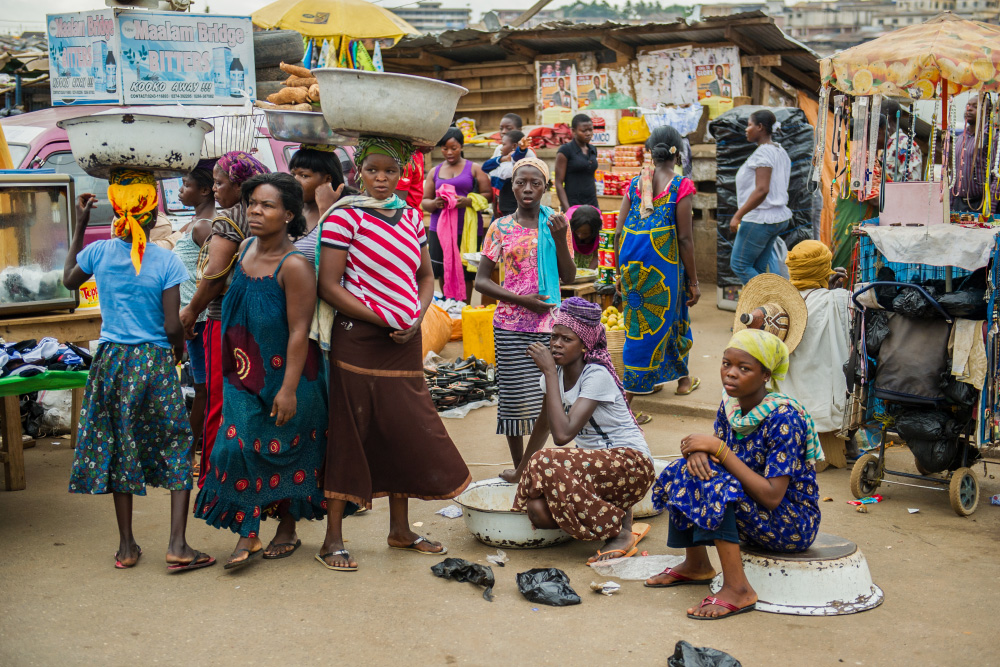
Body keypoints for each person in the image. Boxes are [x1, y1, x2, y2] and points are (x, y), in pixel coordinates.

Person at [316, 136, 472, 572]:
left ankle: (400, 530)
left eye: (390, 171)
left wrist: (416, 316)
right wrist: (384, 320)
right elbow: (329, 286)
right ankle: (332, 540)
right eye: (373, 170)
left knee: (404, 430)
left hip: (404, 342)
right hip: (359, 342)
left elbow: (426, 276)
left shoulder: (409, 217)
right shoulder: (344, 218)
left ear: (402, 173)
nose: (381, 179)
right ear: (358, 173)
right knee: (351, 433)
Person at [63, 177, 214, 573]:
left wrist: (80, 225)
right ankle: (178, 544)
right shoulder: (166, 261)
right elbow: (170, 325)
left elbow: (68, 282)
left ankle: (127, 547)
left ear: (116, 214)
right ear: (152, 219)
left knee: (119, 442)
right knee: (177, 441)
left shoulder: (98, 252)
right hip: (154, 361)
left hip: (111, 361)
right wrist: (179, 349)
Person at [193, 173, 328, 569]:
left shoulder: (295, 266)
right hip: (243, 375)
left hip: (290, 378)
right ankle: (248, 535)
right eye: (253, 202)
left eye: (267, 205)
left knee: (289, 451)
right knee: (235, 448)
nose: (255, 210)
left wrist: (287, 390)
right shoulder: (246, 248)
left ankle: (286, 527)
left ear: (288, 214)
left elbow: (301, 331)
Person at [645, 329, 821, 620]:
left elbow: (772, 496)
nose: (731, 374)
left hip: (790, 521)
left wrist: (719, 449)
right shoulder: (731, 407)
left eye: (744, 368)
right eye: (726, 363)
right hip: (752, 508)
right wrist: (699, 453)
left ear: (766, 375)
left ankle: (738, 589)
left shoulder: (784, 418)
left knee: (715, 486)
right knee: (683, 471)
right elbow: (715, 458)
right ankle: (697, 565)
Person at [499, 298, 654, 563]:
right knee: (536, 510)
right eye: (554, 337)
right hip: (595, 473)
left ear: (585, 345)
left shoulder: (596, 375)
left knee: (545, 460)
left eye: (566, 339)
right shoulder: (554, 376)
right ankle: (617, 514)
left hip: (630, 466)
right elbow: (543, 427)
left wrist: (549, 372)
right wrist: (519, 473)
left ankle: (620, 532)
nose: (556, 344)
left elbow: (562, 436)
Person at [475, 158, 576, 467]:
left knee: (548, 401)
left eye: (535, 183)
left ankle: (528, 468)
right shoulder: (500, 227)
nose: (528, 188)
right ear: (512, 186)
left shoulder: (556, 223)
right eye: (521, 182)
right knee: (514, 402)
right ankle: (520, 465)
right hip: (510, 326)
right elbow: (481, 281)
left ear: (545, 187)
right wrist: (523, 301)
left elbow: (569, 277)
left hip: (549, 327)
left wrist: (559, 239)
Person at [180, 151, 270, 488]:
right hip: (260, 321)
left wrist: (191, 310)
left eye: (219, 183)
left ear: (239, 184)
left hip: (222, 321)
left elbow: (215, 273)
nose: (215, 190)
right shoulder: (268, 214)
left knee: (219, 397)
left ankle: (216, 481)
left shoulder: (229, 219)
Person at [615, 125, 701, 422]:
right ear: (678, 152)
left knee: (640, 321)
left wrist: (617, 271)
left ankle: (683, 379)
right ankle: (626, 402)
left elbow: (617, 231)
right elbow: (686, 239)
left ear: (651, 152)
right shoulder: (681, 186)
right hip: (663, 263)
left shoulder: (636, 184)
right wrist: (694, 280)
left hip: (632, 262)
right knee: (662, 320)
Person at [781, 243, 852, 468]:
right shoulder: (840, 300)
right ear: (825, 269)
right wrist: (829, 290)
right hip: (827, 404)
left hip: (787, 406)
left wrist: (824, 288)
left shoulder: (778, 304)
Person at [172, 164, 215, 476]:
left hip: (198, 319)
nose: (180, 190)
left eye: (186, 185)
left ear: (205, 190)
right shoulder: (196, 222)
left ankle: (189, 452)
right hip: (192, 317)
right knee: (201, 385)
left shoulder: (203, 226)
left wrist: (192, 312)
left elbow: (213, 275)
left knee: (203, 387)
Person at [421, 127, 492, 302]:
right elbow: (425, 201)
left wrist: (468, 201)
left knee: (465, 269)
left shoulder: (473, 168)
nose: (449, 152)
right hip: (440, 228)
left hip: (466, 228)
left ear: (461, 146)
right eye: (445, 148)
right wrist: (436, 203)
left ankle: (464, 306)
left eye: (454, 148)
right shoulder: (435, 171)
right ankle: (449, 305)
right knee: (445, 266)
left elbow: (488, 195)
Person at [729, 109, 793, 285]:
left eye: (749, 125)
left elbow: (762, 190)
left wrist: (738, 215)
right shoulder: (780, 151)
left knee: (740, 264)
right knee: (757, 267)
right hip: (775, 217)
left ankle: (774, 298)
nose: (746, 129)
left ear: (760, 127)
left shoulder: (764, 153)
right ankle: (762, 308)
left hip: (760, 219)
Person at [288, 145, 350, 265]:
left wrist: (325, 210)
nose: (295, 181)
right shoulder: (289, 211)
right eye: (293, 175)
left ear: (327, 179)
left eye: (304, 176)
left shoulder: (345, 214)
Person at [951, 95, 999, 215]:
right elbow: (954, 175)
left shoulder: (992, 137)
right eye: (968, 105)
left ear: (987, 112)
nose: (969, 109)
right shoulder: (960, 138)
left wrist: (990, 207)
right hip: (958, 205)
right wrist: (950, 206)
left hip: (981, 204)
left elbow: (997, 176)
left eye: (975, 106)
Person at [489, 114, 538, 216]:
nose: (503, 131)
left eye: (508, 128)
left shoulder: (528, 153)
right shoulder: (499, 150)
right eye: (501, 128)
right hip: (501, 204)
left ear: (519, 130)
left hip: (520, 205)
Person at [556, 114, 599, 210]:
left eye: (590, 130)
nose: (588, 133)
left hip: (592, 203)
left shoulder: (592, 149)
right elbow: (558, 183)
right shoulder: (565, 151)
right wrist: (567, 209)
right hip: (573, 205)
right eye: (583, 131)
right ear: (573, 131)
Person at [483, 130, 530, 215]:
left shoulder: (518, 162)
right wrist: (503, 159)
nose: (501, 148)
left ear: (514, 146)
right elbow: (485, 167)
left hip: (512, 208)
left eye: (504, 144)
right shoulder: (502, 161)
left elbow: (517, 157)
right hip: (499, 205)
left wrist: (521, 149)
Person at [567, 204, 601, 270]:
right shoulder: (566, 227)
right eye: (577, 232)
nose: (580, 236)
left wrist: (587, 274)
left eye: (585, 233)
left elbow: (597, 256)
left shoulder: (600, 231)